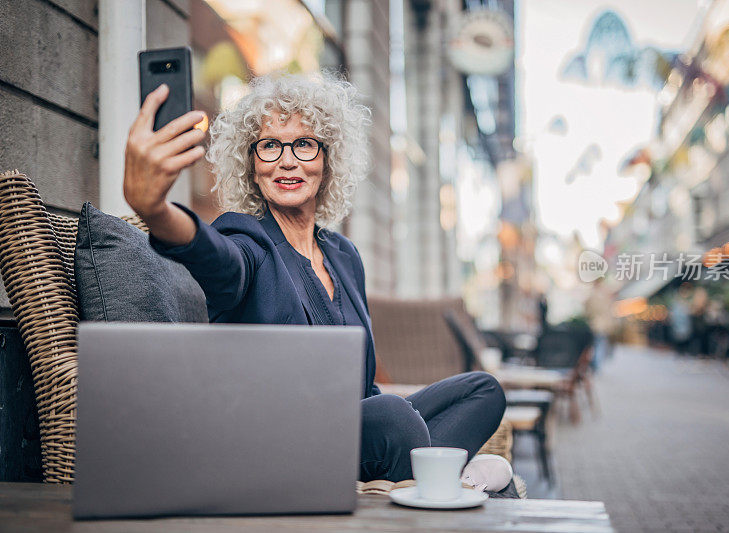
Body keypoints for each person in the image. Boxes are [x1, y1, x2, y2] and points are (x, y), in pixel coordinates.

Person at [122, 72, 506, 483]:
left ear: (327, 160)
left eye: (304, 144)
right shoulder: (245, 238)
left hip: (358, 431)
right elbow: (215, 259)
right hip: (282, 444)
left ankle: (424, 474)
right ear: (252, 166)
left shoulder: (345, 255)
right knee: (394, 417)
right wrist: (157, 210)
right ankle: (445, 475)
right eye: (269, 145)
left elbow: (365, 391)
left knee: (483, 390)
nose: (287, 160)